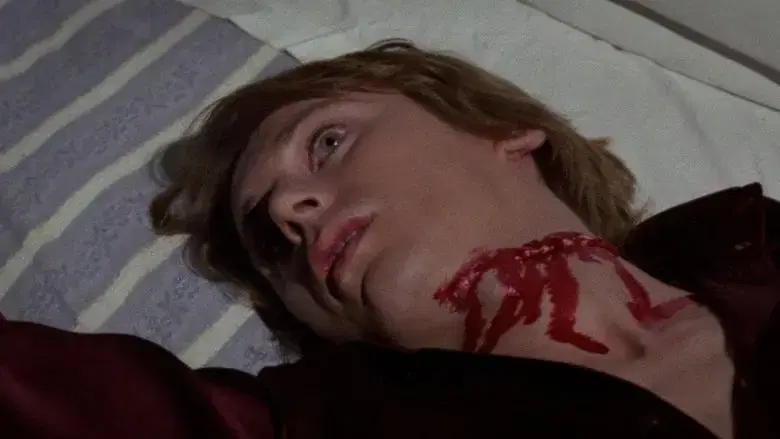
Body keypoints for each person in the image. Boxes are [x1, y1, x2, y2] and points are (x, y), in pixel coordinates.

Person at [1, 40, 778, 439]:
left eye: (327, 142)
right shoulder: (312, 423)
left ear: (503, 131)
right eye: (270, 242)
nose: (291, 212)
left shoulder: (758, 246)